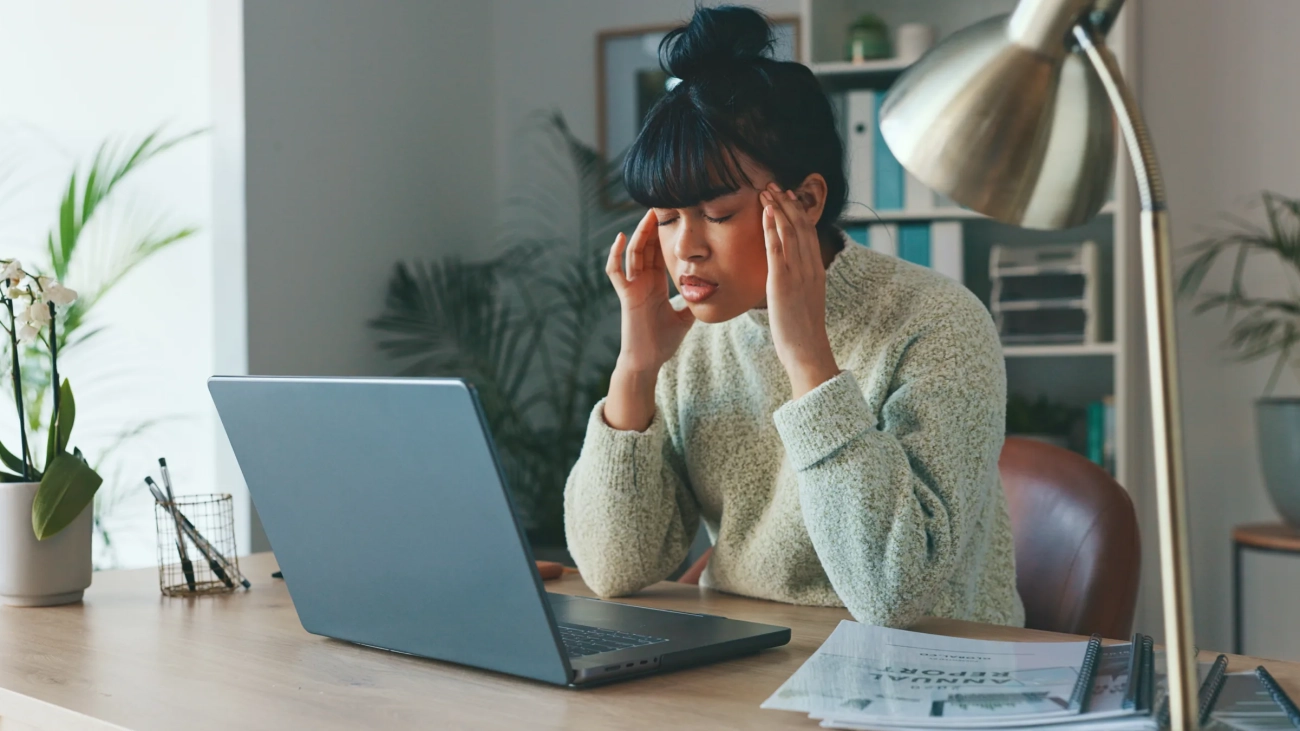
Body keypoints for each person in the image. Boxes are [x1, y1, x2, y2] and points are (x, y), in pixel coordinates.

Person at [563, 4, 1024, 629]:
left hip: (930, 665)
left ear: (805, 200)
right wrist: (636, 370)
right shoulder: (684, 337)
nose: (685, 248)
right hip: (750, 653)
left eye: (717, 214)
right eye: (666, 219)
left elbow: (893, 594)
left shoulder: (938, 323)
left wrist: (807, 355)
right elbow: (613, 568)